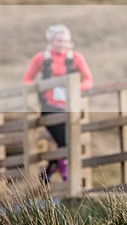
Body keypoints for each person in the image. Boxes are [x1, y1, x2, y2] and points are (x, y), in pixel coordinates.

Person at [23, 24, 94, 183]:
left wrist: (74, 89)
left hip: (69, 107)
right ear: (51, 41)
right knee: (66, 141)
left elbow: (89, 80)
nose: (63, 43)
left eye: (66, 41)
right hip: (48, 107)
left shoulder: (76, 58)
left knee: (67, 140)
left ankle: (49, 170)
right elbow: (27, 80)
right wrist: (39, 90)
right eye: (59, 40)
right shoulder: (41, 58)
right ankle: (65, 175)